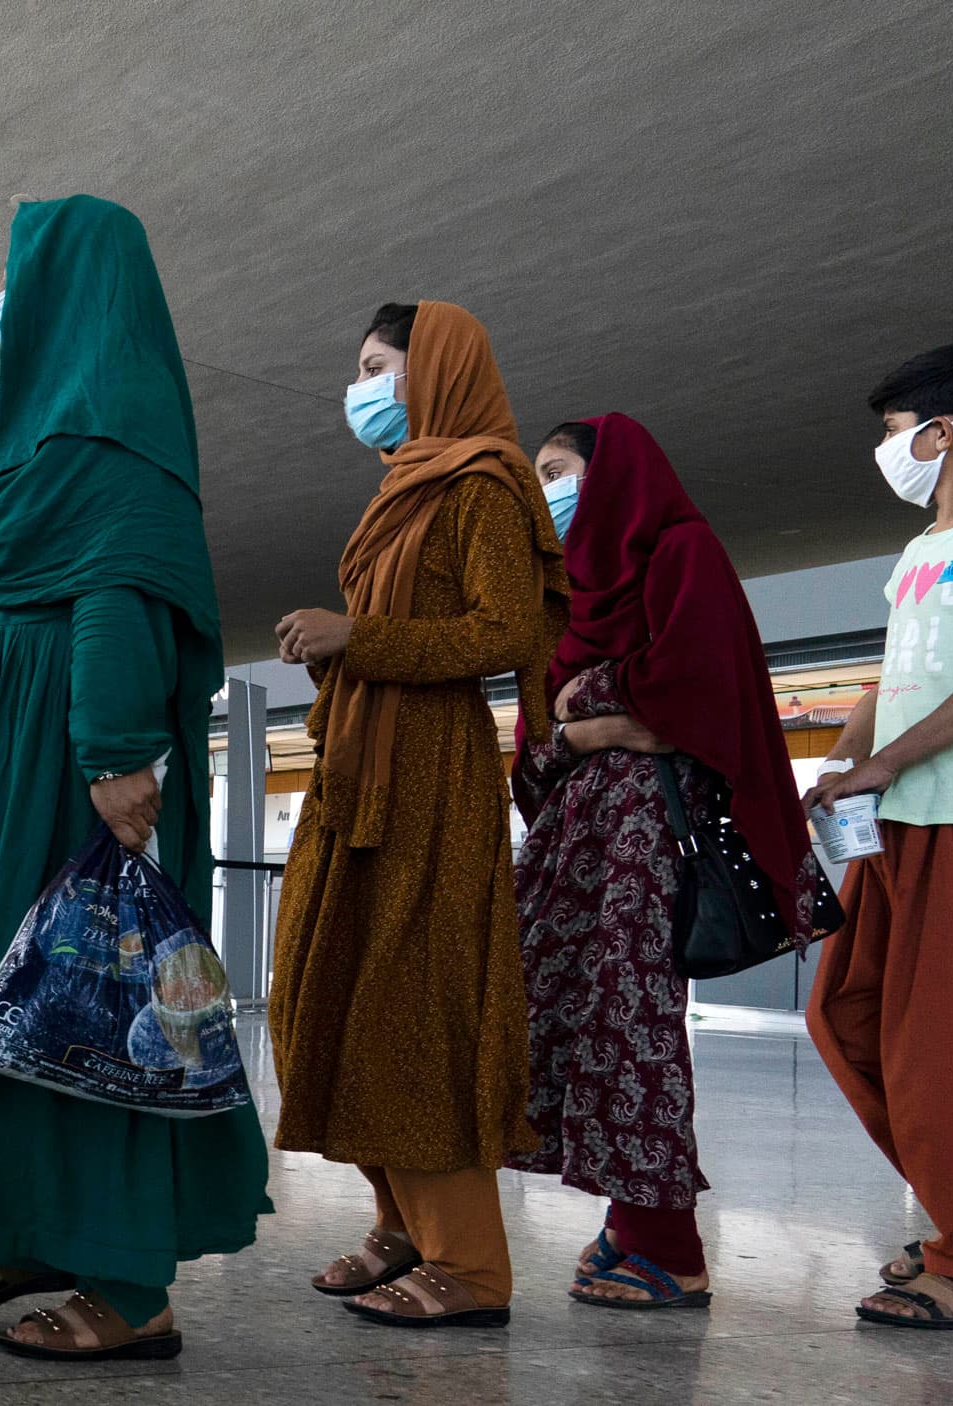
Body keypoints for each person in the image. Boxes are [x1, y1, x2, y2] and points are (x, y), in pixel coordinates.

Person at [0, 195, 269, 1363]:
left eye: (17, 277)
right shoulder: (32, 431)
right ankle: (23, 1228)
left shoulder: (113, 427)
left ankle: (128, 1284)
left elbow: (117, 584)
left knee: (96, 1011)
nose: (0, 304)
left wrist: (109, 752)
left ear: (68, 290)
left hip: (63, 763)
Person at [268, 300, 565, 1329]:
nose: (359, 388)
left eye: (374, 366)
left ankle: (471, 1265)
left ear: (430, 368)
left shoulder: (482, 484)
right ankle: (400, 1224)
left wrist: (359, 637)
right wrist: (344, 649)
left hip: (430, 777)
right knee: (335, 991)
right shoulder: (404, 488)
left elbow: (504, 627)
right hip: (362, 768)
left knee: (411, 1005)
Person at [508, 414, 826, 1309]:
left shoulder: (682, 553)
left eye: (559, 470)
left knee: (631, 1023)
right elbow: (540, 732)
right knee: (558, 1016)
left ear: (614, 477)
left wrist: (588, 709)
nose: (546, 491)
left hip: (649, 842)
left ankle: (669, 1246)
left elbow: (690, 694)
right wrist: (587, 721)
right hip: (575, 843)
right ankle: (625, 1221)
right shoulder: (567, 591)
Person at [803, 339, 953, 1329]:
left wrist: (890, 757)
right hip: (895, 822)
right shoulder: (920, 551)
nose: (888, 451)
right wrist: (848, 758)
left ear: (948, 427)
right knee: (844, 1012)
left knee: (948, 1054)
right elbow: (886, 684)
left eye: (895, 431)